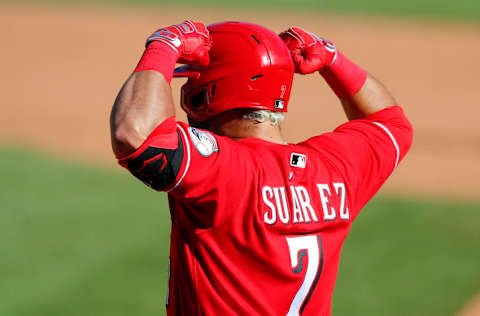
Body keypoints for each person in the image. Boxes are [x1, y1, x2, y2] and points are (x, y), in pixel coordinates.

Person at [110, 20, 413, 316]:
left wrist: (164, 46)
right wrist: (332, 59)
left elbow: (135, 134)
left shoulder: (224, 169)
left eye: (194, 81)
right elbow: (390, 123)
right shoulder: (336, 168)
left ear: (210, 92)